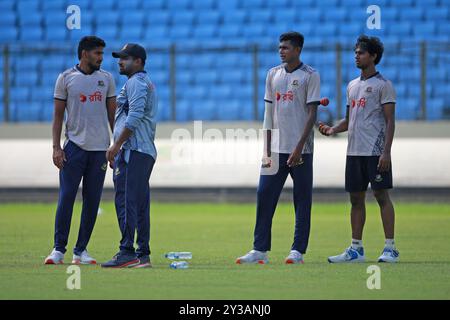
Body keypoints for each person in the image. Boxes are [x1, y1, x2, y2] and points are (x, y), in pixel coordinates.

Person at [236, 31, 321, 264]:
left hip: (301, 151)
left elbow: (312, 114)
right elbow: (268, 114)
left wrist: (298, 148)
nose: (281, 50)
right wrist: (266, 150)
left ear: (298, 50)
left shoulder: (310, 76)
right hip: (275, 149)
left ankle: (297, 251)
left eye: (285, 47)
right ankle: (259, 249)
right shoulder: (272, 74)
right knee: (264, 195)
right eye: (280, 47)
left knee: (302, 199)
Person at [319, 35, 399, 263]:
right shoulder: (352, 86)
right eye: (355, 52)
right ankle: (356, 249)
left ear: (373, 56)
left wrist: (386, 152)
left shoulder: (384, 85)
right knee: (356, 199)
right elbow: (349, 119)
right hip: (354, 152)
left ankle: (390, 248)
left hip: (375, 153)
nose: (356, 55)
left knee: (381, 196)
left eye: (361, 52)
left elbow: (390, 121)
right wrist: (333, 130)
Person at [44, 36, 117, 265]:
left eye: (102, 54)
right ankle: (58, 250)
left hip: (100, 151)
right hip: (74, 147)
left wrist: (116, 146)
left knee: (92, 201)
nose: (101, 58)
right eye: (97, 53)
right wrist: (56, 147)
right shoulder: (66, 78)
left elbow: (113, 117)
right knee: (66, 198)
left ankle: (80, 251)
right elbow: (57, 117)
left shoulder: (107, 79)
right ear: (84, 53)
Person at [102, 44, 158, 268]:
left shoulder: (135, 83)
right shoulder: (144, 82)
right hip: (143, 150)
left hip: (133, 150)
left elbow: (133, 117)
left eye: (125, 58)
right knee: (140, 202)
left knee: (126, 200)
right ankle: (143, 254)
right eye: (119, 58)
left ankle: (127, 251)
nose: (119, 62)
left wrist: (117, 144)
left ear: (138, 61)